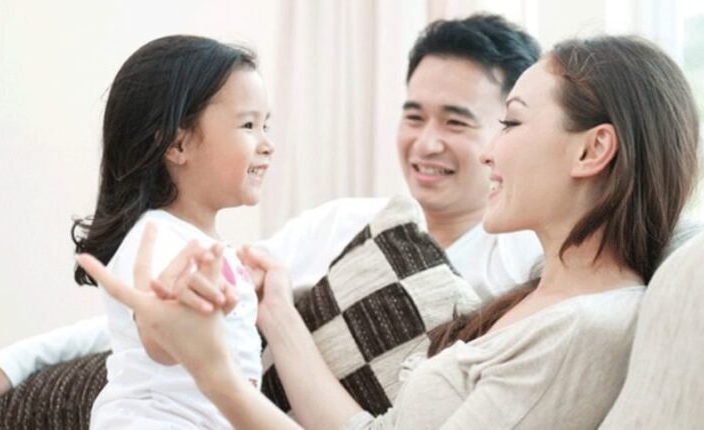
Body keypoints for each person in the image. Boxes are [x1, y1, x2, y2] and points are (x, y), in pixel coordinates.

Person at [80, 34, 700, 429]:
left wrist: (216, 374)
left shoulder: (581, 330)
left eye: (509, 124)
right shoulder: (539, 297)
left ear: (592, 150)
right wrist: (279, 316)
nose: (490, 153)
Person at [0, 14, 544, 425]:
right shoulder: (343, 226)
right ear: (177, 143)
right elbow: (152, 312)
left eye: (456, 121)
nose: (426, 142)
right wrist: (16, 360)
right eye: (414, 116)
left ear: (507, 129)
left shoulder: (528, 272)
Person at [63, 35, 273, 429]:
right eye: (249, 125)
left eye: (266, 125)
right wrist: (177, 309)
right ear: (178, 145)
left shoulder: (205, 247)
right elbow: (158, 334)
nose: (267, 145)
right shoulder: (153, 238)